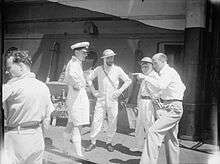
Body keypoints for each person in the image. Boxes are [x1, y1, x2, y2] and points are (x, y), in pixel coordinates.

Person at [2, 50, 54, 164]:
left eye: (9, 67)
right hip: (37, 138)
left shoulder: (11, 86)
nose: (7, 71)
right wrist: (41, 138)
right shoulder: (43, 87)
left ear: (20, 66)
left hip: (17, 138)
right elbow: (47, 119)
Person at [135, 53, 186, 164]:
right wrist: (167, 100)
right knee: (171, 140)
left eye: (155, 62)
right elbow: (182, 87)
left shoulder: (168, 71)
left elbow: (161, 86)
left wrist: (145, 77)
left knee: (152, 132)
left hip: (173, 108)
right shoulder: (165, 73)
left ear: (163, 61)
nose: (153, 64)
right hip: (170, 106)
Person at [85, 49, 132, 152]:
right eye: (109, 57)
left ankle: (109, 142)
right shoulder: (98, 69)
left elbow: (128, 80)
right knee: (96, 121)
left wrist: (119, 91)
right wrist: (93, 91)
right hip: (101, 99)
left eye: (112, 57)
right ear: (104, 59)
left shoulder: (118, 69)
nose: (111, 59)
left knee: (112, 121)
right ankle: (93, 142)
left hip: (113, 99)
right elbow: (88, 79)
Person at [63, 42, 90, 157]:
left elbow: (70, 76)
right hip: (76, 97)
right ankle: (79, 154)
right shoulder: (74, 63)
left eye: (86, 53)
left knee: (71, 123)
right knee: (77, 125)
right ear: (76, 52)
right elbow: (71, 76)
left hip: (77, 97)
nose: (85, 55)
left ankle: (64, 148)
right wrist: (77, 84)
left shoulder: (76, 63)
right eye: (83, 53)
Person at [130, 57, 160, 152]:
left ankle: (151, 149)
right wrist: (138, 104)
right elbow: (140, 92)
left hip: (149, 103)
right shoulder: (144, 76)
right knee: (139, 125)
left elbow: (159, 87)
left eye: (147, 64)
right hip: (142, 102)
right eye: (143, 65)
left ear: (151, 65)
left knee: (149, 125)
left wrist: (144, 77)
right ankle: (139, 146)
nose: (144, 66)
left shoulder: (154, 75)